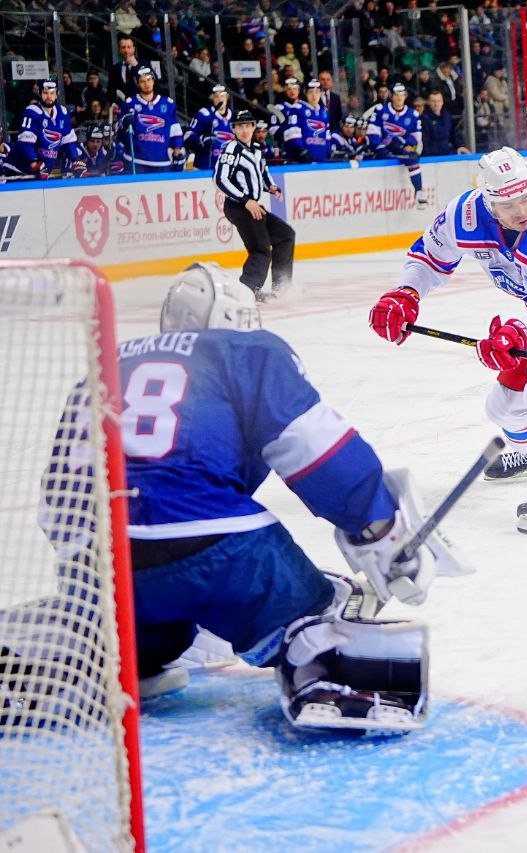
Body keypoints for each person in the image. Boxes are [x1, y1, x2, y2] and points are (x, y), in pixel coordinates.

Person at [42, 262, 447, 732]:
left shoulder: (102, 367)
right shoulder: (243, 351)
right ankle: (324, 669)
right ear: (239, 320)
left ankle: (109, 653)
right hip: (211, 544)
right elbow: (315, 448)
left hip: (98, 565)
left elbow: (57, 497)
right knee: (309, 603)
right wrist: (377, 525)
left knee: (143, 631)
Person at [368, 148, 527, 534]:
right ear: (489, 204)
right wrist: (405, 293)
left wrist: (517, 333)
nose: (521, 210)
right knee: (503, 407)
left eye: (526, 198)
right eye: (508, 205)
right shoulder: (466, 214)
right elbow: (429, 255)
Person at [214, 111, 295, 301]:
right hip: (238, 206)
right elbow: (220, 179)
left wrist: (272, 187)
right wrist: (245, 201)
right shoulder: (231, 150)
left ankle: (281, 286)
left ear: (253, 127)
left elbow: (263, 174)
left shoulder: (257, 150)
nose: (244, 130)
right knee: (260, 249)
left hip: (253, 206)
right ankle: (247, 291)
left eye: (248, 126)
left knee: (285, 235)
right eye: (239, 127)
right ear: (233, 129)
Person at [2, 80, 85, 179]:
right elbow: (25, 142)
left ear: (57, 94)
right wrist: (34, 163)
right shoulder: (32, 111)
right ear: (39, 93)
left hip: (44, 171)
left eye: (52, 93)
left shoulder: (63, 112)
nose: (49, 96)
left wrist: (75, 160)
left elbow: (68, 141)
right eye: (45, 93)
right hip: (20, 169)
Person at [367, 82, 428, 208]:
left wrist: (409, 145)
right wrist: (379, 147)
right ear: (391, 95)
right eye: (396, 94)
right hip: (383, 149)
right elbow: (373, 131)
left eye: (402, 94)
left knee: (412, 157)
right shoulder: (380, 110)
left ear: (405, 96)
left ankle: (419, 191)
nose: (399, 97)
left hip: (402, 148)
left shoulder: (413, 115)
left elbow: (416, 135)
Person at [115, 67, 184, 173]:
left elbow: (175, 130)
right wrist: (124, 123)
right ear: (137, 83)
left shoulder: (168, 104)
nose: (146, 84)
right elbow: (118, 130)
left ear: (153, 81)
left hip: (162, 161)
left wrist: (177, 150)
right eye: (142, 81)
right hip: (136, 160)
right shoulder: (130, 103)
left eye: (148, 80)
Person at [183, 84, 234, 171]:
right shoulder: (204, 114)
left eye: (222, 96)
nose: (219, 99)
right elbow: (187, 136)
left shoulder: (235, 117)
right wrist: (201, 140)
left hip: (228, 168)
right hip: (205, 167)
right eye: (216, 96)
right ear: (212, 98)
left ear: (227, 97)